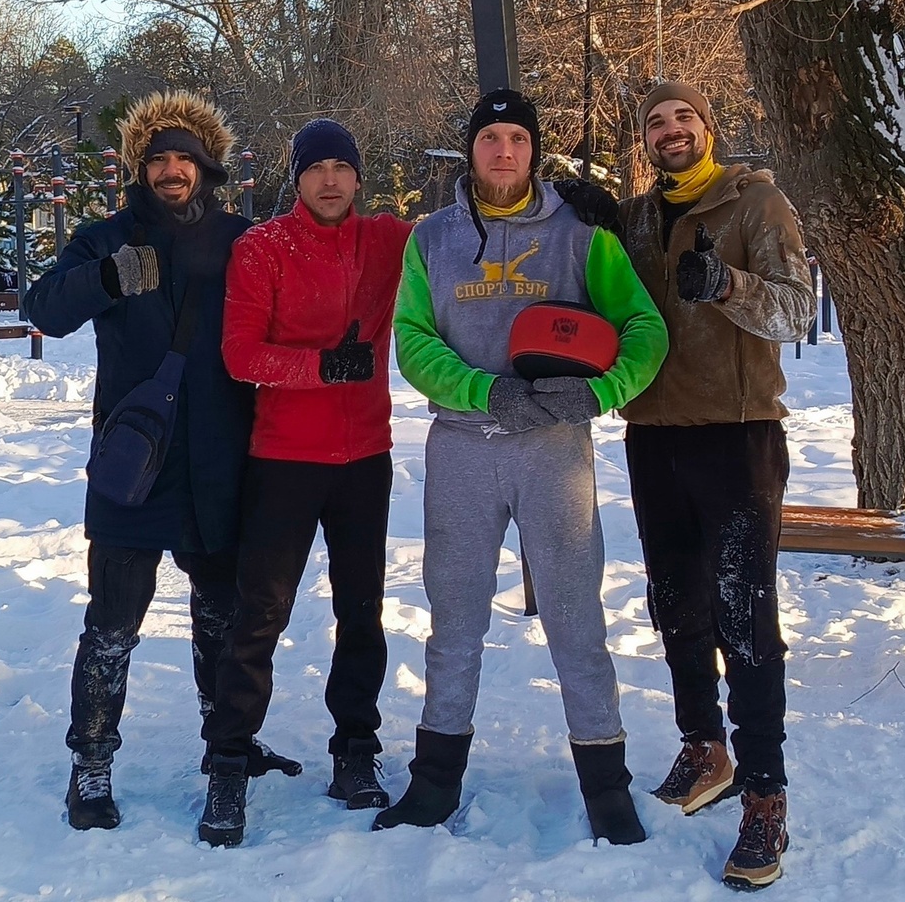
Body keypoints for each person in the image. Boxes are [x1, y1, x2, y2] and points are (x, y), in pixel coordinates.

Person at [374, 87, 666, 845]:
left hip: (553, 452)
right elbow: (413, 338)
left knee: (575, 620)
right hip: (464, 446)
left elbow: (645, 328)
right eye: (490, 137)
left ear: (535, 151)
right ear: (469, 150)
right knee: (455, 618)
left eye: (517, 138)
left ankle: (607, 786)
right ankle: (434, 780)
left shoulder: (581, 235)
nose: (503, 150)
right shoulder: (430, 239)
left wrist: (600, 392)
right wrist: (484, 391)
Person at [21, 90, 298, 832]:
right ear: (139, 170)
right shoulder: (106, 237)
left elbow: (301, 305)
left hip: (219, 464)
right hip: (133, 467)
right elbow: (42, 307)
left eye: (185, 158)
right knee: (111, 627)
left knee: (224, 621)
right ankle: (91, 766)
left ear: (208, 167)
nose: (172, 170)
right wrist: (106, 278)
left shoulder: (246, 240)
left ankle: (227, 748)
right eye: (158, 159)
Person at [195, 119, 415, 847]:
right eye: (316, 169)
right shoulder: (263, 248)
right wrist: (322, 367)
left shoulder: (386, 240)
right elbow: (239, 353)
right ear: (298, 179)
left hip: (363, 459)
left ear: (358, 178)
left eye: (341, 169)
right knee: (260, 613)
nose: (329, 181)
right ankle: (227, 760)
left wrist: (569, 198)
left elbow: (464, 231)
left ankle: (356, 749)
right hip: (284, 457)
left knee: (362, 612)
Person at [616, 81, 813, 888]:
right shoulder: (633, 217)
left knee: (744, 613)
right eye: (656, 123)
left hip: (737, 437)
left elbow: (797, 314)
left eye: (683, 118)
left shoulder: (754, 205)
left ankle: (765, 793)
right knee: (677, 605)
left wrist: (727, 286)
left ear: (708, 126)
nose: (670, 131)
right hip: (652, 432)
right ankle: (705, 746)